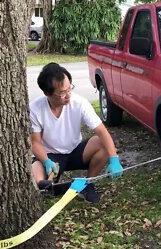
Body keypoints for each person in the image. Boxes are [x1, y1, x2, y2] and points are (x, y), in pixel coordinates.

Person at [30, 62, 123, 203]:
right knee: (36, 171)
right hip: (51, 156)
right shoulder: (35, 109)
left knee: (102, 144)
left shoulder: (80, 103)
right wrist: (46, 161)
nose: (68, 95)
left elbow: (102, 132)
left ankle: (87, 185)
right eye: (62, 93)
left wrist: (114, 159)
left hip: (76, 151)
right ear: (47, 93)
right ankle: (48, 186)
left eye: (69, 89)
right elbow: (35, 143)